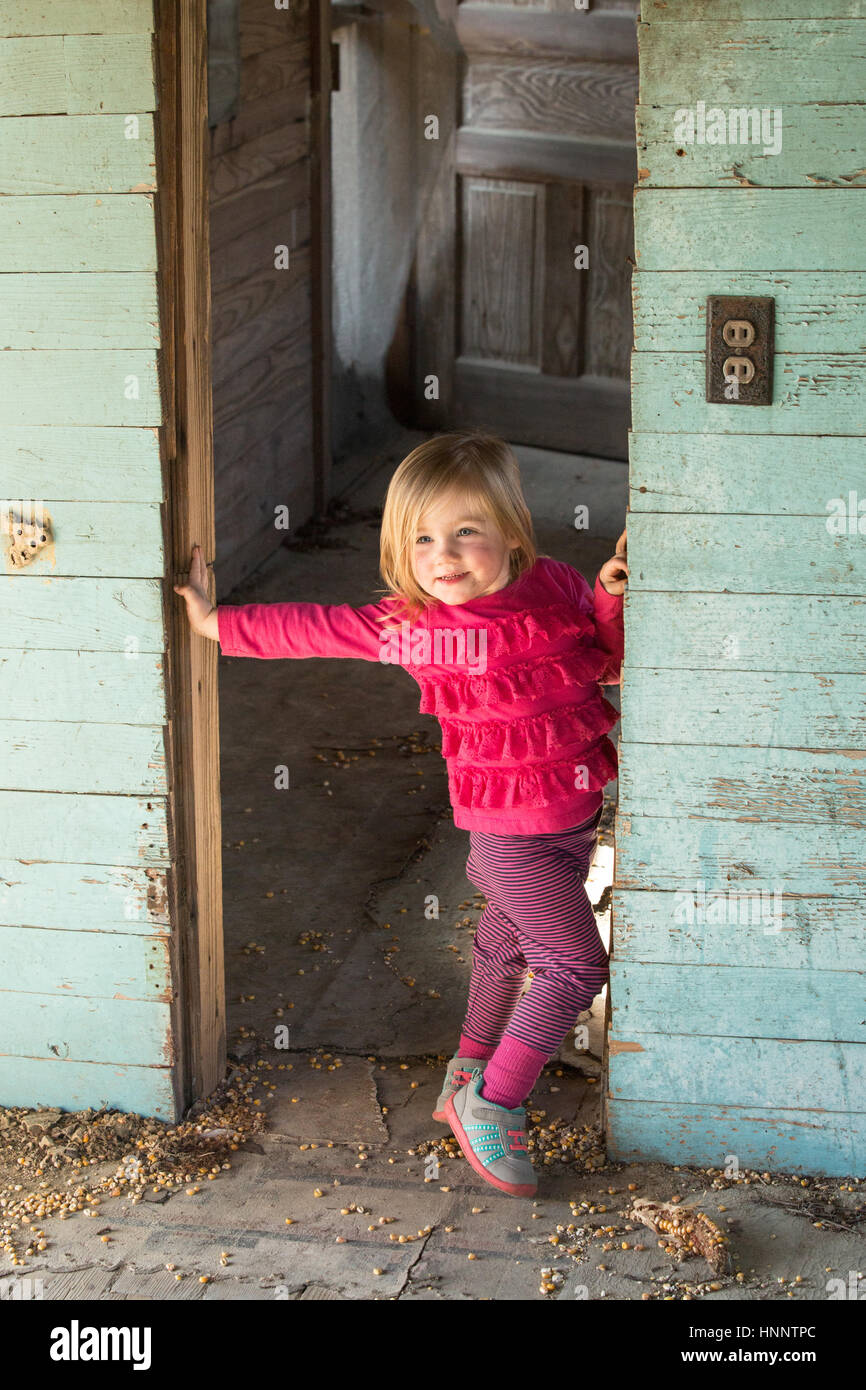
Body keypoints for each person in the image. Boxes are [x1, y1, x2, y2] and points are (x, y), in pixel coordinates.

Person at [174, 431, 628, 1197]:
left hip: (571, 822)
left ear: (511, 531)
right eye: (421, 538)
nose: (442, 554)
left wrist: (610, 594)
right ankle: (495, 1102)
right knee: (577, 965)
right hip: (509, 835)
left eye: (464, 533)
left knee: (504, 947)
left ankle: (469, 1065)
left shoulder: (553, 584)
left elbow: (606, 659)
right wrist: (217, 624)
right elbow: (313, 628)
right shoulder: (416, 626)